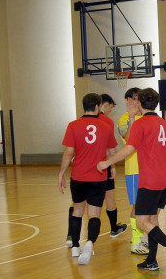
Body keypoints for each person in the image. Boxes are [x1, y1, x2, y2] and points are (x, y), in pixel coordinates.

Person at [98, 88, 166, 273]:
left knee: (141, 222)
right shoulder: (162, 122)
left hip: (150, 180)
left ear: (139, 103)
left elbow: (129, 149)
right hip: (164, 179)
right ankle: (152, 260)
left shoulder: (142, 123)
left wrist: (107, 162)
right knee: (152, 219)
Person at [58, 93, 118, 265]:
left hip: (78, 176)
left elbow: (69, 152)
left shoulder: (73, 125)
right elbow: (112, 152)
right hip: (97, 176)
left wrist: (61, 173)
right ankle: (90, 242)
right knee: (94, 214)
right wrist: (112, 167)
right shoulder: (106, 126)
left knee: (77, 210)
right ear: (97, 107)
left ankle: (75, 246)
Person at [117, 88, 147, 255]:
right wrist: (132, 117)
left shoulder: (147, 117)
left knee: (148, 207)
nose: (138, 102)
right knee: (137, 205)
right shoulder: (124, 119)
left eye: (140, 99)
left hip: (149, 169)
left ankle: (142, 236)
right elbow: (129, 140)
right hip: (135, 169)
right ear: (128, 100)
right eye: (135, 98)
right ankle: (135, 241)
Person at [98, 94, 128, 238]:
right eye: (111, 107)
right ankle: (114, 228)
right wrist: (113, 165)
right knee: (109, 196)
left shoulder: (81, 121)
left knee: (79, 202)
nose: (110, 110)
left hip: (85, 165)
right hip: (103, 163)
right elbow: (110, 147)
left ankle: (71, 236)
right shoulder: (107, 121)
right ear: (106, 105)